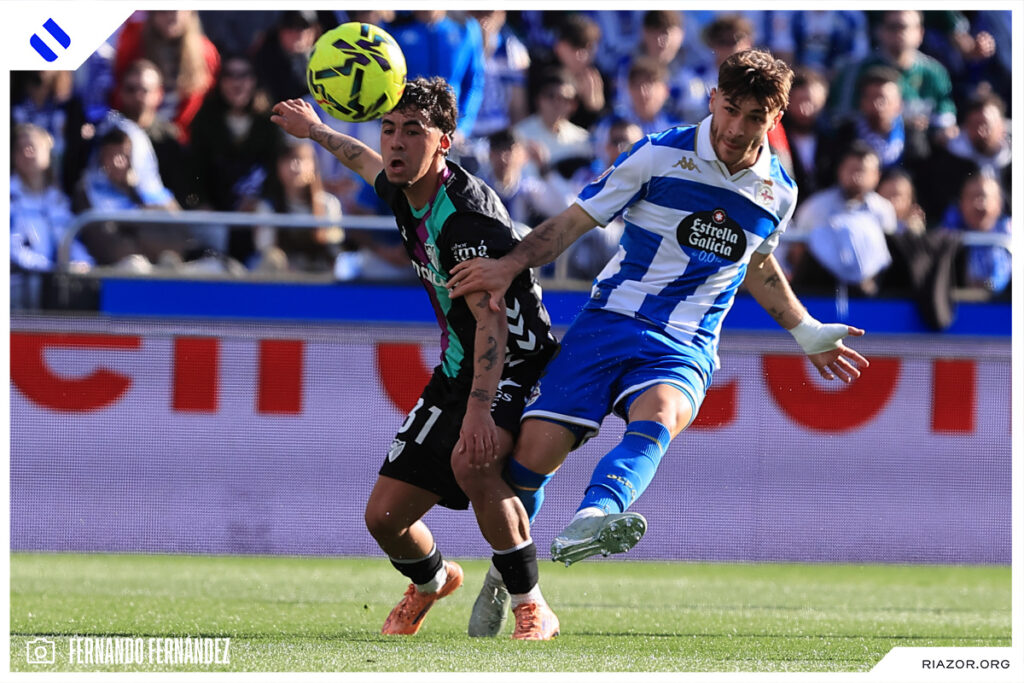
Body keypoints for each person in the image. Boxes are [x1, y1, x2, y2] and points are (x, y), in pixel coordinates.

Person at [446, 49, 868, 573]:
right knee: (533, 456)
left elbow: (756, 264)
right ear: (713, 98)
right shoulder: (657, 155)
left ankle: (595, 514)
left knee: (661, 414)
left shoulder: (778, 191)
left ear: (775, 119)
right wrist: (509, 265)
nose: (736, 128)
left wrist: (804, 329)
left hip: (686, 341)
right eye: (730, 108)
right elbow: (574, 223)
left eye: (755, 117)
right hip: (610, 321)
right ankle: (508, 576)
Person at [270, 77, 561, 640]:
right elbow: (364, 163)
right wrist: (317, 131)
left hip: (514, 362)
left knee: (472, 462)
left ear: (445, 142)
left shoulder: (464, 223)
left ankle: (532, 605)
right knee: (383, 518)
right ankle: (431, 582)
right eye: (389, 129)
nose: (396, 143)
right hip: (459, 362)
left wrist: (478, 412)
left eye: (413, 131)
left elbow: (493, 324)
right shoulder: (405, 184)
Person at [788, 142, 897, 296]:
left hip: (869, 293)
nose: (857, 176)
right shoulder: (815, 207)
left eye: (863, 171)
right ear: (840, 171)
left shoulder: (883, 209)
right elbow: (796, 253)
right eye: (852, 170)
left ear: (876, 176)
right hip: (818, 290)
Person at [10, 124, 93, 309]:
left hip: (54, 288)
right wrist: (50, 270)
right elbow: (10, 248)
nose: (28, 151)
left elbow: (71, 239)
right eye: (22, 147)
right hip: (16, 288)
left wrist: (81, 263)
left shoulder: (58, 199)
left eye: (34, 146)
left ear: (49, 153)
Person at [113, 10, 220, 144]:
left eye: (179, 10)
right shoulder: (133, 40)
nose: (172, 16)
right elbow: (119, 88)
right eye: (164, 10)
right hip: (134, 131)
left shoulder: (205, 52)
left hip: (180, 136)